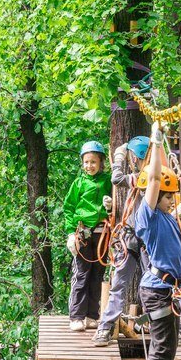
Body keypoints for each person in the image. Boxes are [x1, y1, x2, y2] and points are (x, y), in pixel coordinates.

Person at [91, 136, 181, 347]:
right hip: (134, 238)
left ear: (137, 157)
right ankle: (175, 330)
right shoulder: (145, 177)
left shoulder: (141, 177)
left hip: (137, 239)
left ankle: (106, 329)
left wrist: (118, 155)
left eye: (133, 156)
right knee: (158, 283)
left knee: (139, 284)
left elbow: (117, 179)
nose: (131, 160)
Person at [131, 122, 181, 360]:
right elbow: (152, 179)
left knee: (170, 347)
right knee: (163, 346)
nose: (170, 200)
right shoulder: (147, 216)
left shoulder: (166, 217)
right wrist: (156, 142)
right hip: (157, 290)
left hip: (167, 289)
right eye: (167, 196)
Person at [63, 140, 112, 332]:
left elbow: (119, 202)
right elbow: (69, 208)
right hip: (82, 232)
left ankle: (92, 315)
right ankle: (76, 316)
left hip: (102, 232)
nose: (89, 166)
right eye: (86, 162)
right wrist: (70, 233)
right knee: (82, 273)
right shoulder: (78, 184)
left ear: (101, 162)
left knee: (97, 274)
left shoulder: (108, 181)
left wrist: (110, 206)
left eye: (93, 162)